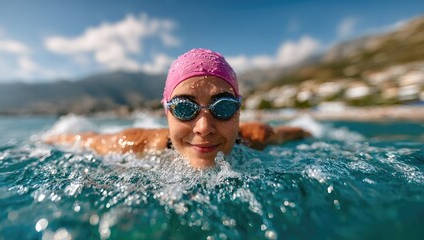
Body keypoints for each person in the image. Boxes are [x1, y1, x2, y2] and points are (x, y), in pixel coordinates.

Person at [45, 48, 310, 169]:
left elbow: (297, 132)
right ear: (167, 113)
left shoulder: (257, 137)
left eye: (224, 107)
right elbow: (86, 140)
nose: (204, 128)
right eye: (184, 108)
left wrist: (309, 132)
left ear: (239, 112)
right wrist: (49, 139)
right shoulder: (133, 145)